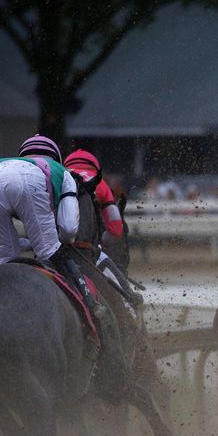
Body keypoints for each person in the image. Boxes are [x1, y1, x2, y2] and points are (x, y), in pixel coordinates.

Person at [0, 135, 114, 320]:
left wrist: (31, 243)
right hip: (31, 182)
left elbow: (15, 241)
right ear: (57, 158)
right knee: (52, 252)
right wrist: (52, 242)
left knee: (5, 261)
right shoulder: (63, 172)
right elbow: (68, 231)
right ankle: (91, 306)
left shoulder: (8, 163)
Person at [64, 148, 143, 307]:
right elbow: (116, 228)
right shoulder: (100, 184)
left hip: (54, 251)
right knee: (116, 282)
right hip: (87, 253)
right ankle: (129, 299)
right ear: (96, 168)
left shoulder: (57, 179)